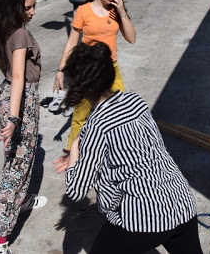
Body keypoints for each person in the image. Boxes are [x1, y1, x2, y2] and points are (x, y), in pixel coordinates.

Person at [56, 42, 202, 254]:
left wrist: (76, 148)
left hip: (146, 216)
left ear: (83, 88)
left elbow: (75, 191)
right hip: (181, 201)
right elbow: (133, 152)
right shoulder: (136, 101)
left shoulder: (96, 126)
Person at [0, 0, 48, 254]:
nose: (33, 11)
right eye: (28, 7)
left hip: (7, 94)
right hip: (19, 99)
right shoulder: (19, 33)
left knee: (21, 158)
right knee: (15, 169)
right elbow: (19, 76)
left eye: (33, 6)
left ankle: (20, 200)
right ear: (15, 7)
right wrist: (14, 118)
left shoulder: (3, 28)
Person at [52, 0, 136, 162]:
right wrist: (60, 70)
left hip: (110, 69)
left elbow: (131, 38)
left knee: (120, 109)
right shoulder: (83, 11)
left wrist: (122, 11)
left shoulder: (116, 11)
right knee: (80, 114)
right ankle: (72, 155)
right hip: (88, 70)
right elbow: (72, 42)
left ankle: (117, 150)